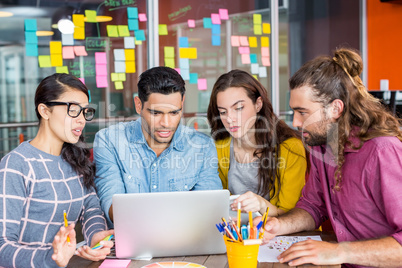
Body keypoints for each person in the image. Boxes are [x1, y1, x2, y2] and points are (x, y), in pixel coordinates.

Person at [261, 48, 402, 267]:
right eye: (294, 113)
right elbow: (312, 206)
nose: (296, 123)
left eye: (303, 112)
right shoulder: (321, 146)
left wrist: (340, 252)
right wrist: (279, 226)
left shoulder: (383, 151)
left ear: (335, 108)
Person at [0, 73, 114, 268]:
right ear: (45, 111)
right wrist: (51, 256)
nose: (81, 120)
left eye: (85, 111)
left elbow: (91, 207)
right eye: (73, 110)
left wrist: (95, 235)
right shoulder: (16, 165)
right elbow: (2, 247)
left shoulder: (75, 160)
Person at [94, 66, 222, 227]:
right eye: (156, 113)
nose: (166, 124)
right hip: (133, 242)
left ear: (182, 103)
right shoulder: (109, 141)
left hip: (186, 242)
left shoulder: (202, 147)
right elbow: (110, 205)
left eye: (174, 113)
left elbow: (209, 210)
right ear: (138, 105)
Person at [207, 69, 307, 217]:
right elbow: (219, 205)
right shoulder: (220, 148)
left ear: (258, 104)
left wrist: (261, 204)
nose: (230, 119)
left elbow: (292, 214)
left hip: (280, 233)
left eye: (239, 108)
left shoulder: (290, 148)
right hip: (239, 233)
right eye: (223, 112)